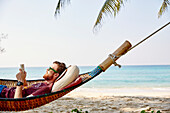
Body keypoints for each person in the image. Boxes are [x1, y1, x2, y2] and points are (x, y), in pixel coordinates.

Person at [0, 61, 66, 98]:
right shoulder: (43, 83)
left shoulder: (45, 89)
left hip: (2, 93)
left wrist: (19, 82)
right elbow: (25, 89)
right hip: (4, 88)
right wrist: (23, 79)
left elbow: (18, 100)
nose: (47, 69)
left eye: (50, 69)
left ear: (56, 75)